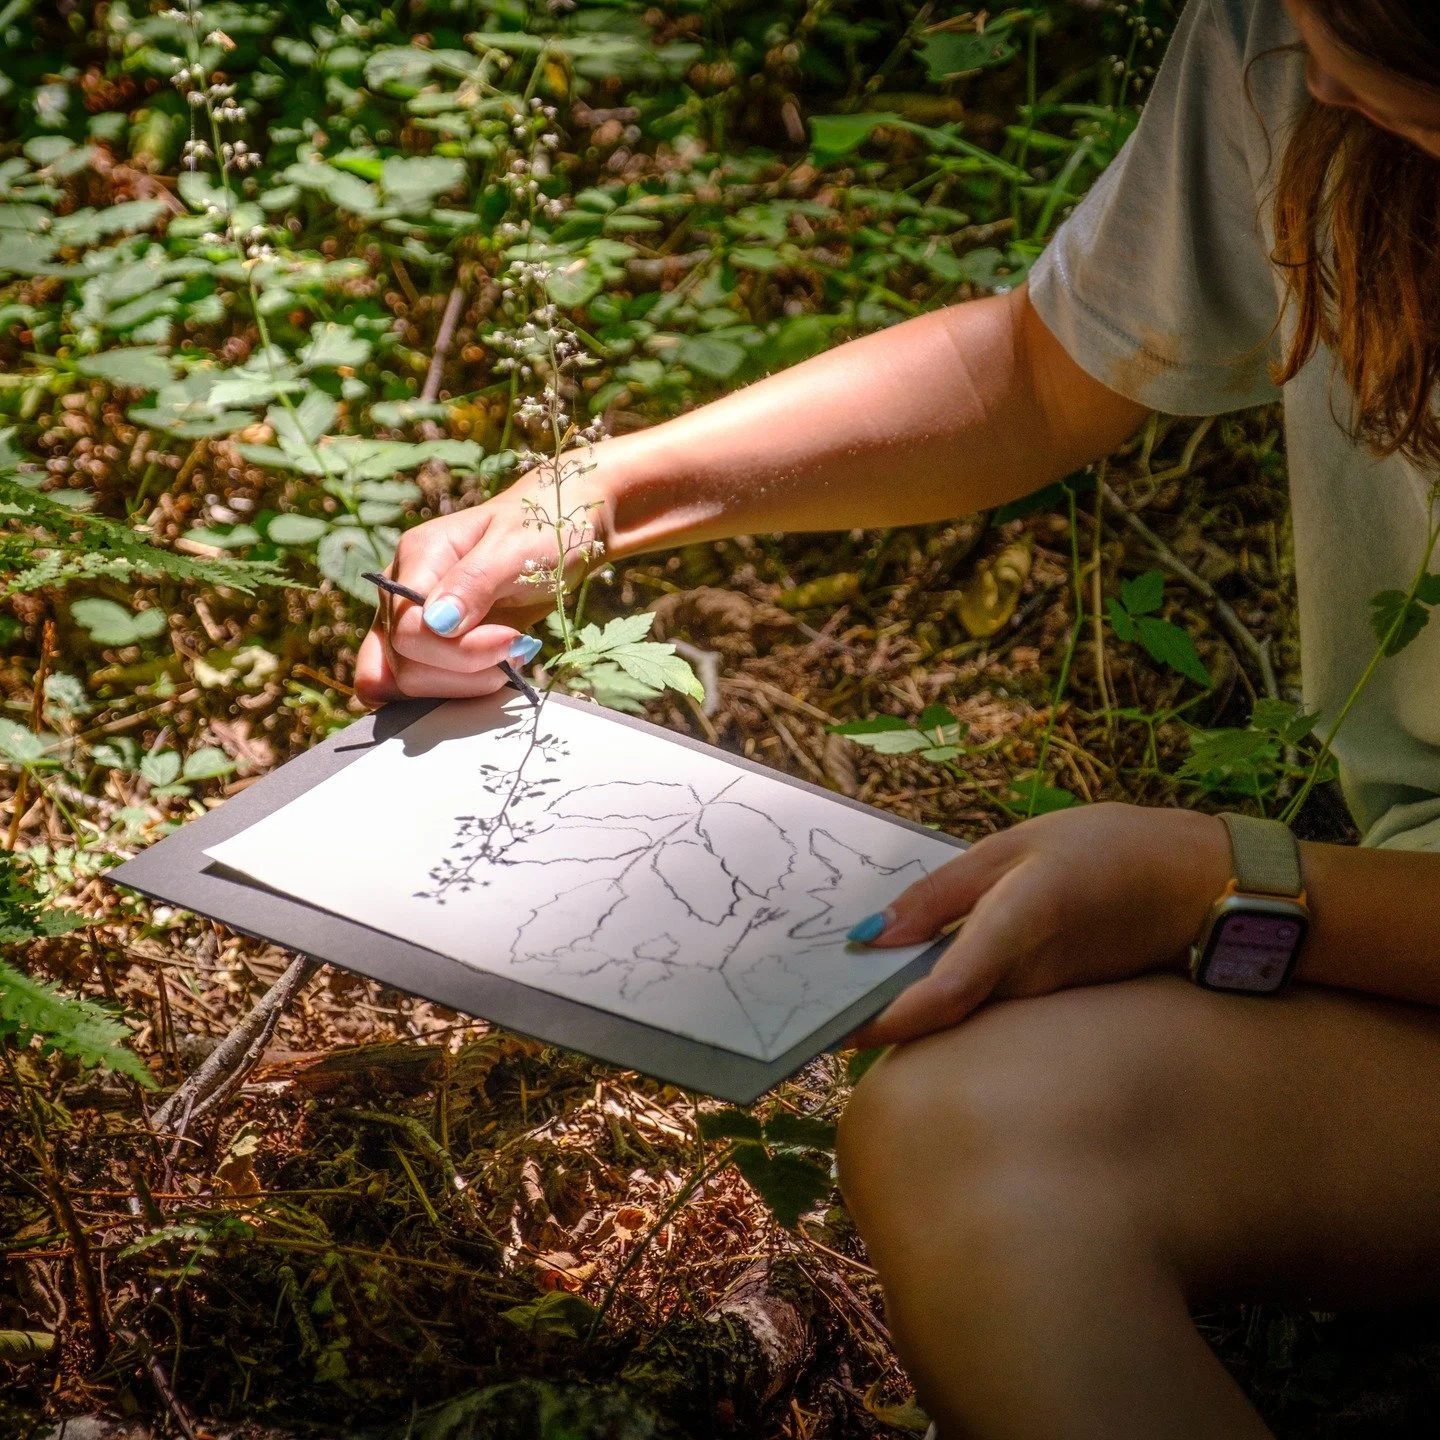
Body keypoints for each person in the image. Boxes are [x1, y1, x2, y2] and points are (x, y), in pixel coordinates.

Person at [355, 1, 1440, 1433]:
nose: (1326, 81)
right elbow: (1042, 371)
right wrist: (585, 502)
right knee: (964, 1131)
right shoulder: (1284, 40)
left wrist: (1222, 885)